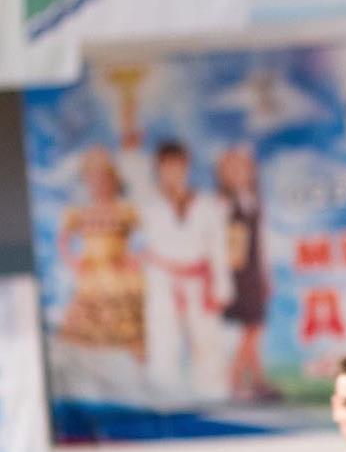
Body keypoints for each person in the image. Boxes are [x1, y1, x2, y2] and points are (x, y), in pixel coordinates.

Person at [119, 97, 232, 403]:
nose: (172, 173)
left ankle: (213, 399)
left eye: (177, 167)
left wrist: (221, 287)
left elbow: (217, 248)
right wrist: (128, 118)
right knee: (163, 342)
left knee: (207, 343)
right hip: (163, 279)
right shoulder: (148, 200)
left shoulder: (206, 204)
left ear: (186, 167)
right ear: (158, 169)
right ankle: (165, 403)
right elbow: (130, 164)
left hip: (199, 280)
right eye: (166, 167)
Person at [59, 147, 144, 357]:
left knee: (128, 324)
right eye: (94, 180)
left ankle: (132, 360)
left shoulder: (126, 211)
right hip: (92, 275)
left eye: (104, 179)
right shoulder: (80, 212)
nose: (100, 184)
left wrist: (135, 258)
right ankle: (94, 364)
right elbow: (64, 238)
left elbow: (147, 237)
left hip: (120, 274)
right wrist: (72, 261)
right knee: (88, 328)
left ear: (114, 180)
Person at [215, 146, 278, 401]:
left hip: (253, 272)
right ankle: (236, 381)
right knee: (251, 329)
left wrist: (266, 275)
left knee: (255, 328)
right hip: (234, 275)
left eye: (242, 168)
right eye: (231, 169)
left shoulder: (253, 201)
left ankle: (258, 380)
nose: (238, 174)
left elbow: (261, 243)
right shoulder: (221, 204)